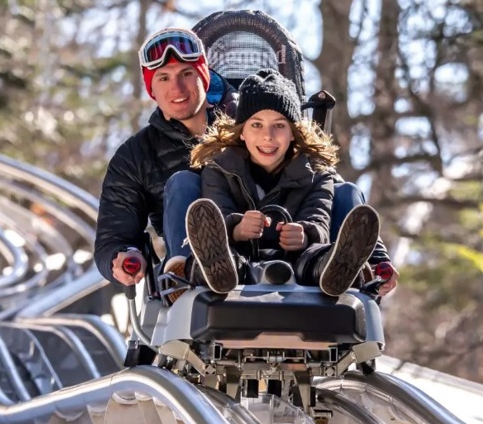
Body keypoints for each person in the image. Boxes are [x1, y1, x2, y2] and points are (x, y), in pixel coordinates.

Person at [166, 68, 399, 297]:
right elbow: (216, 214)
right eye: (256, 125)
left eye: (279, 125)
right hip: (237, 260)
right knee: (226, 257)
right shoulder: (219, 169)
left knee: (316, 257)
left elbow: (319, 218)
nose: (268, 135)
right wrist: (236, 229)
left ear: (292, 133)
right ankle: (208, 273)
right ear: (242, 132)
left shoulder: (317, 174)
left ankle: (338, 270)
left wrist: (305, 235)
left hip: (300, 263)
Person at [93, 27, 215, 287]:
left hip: (258, 265)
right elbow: (113, 236)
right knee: (182, 183)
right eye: (163, 78)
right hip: (189, 282)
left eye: (186, 73)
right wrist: (124, 255)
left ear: (203, 76)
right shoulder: (135, 156)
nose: (177, 88)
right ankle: (186, 270)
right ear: (152, 89)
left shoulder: (249, 129)